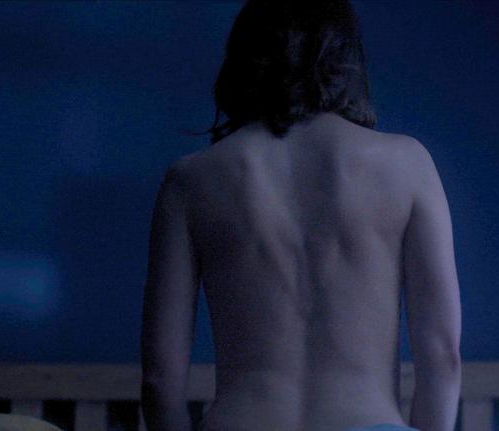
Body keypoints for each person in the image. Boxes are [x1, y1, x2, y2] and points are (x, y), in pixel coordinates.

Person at [140, 1, 462, 430]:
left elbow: (160, 380)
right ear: (345, 60)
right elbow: (442, 356)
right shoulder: (407, 165)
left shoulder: (191, 180)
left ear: (243, 59)